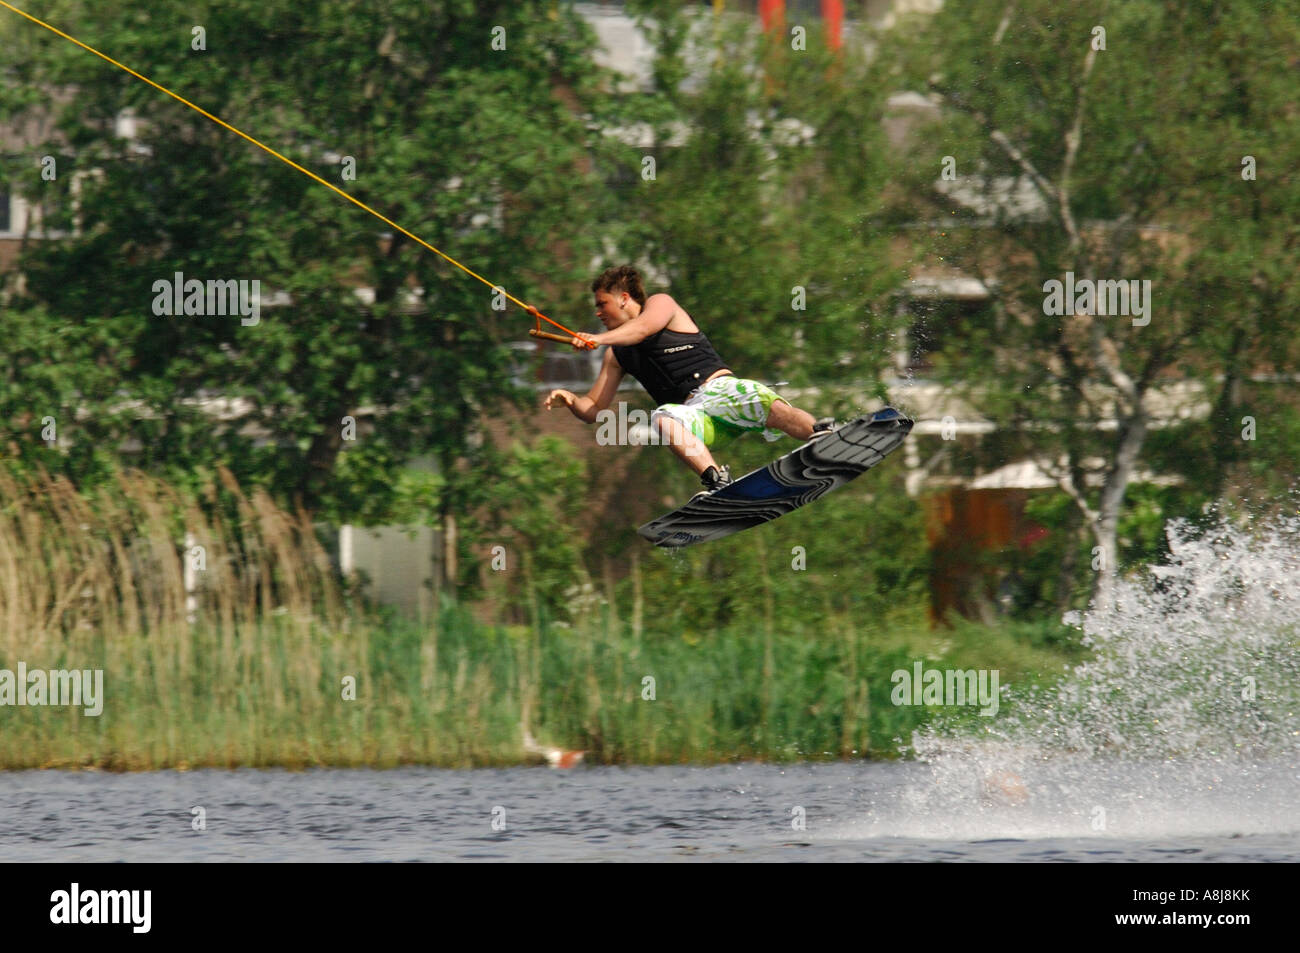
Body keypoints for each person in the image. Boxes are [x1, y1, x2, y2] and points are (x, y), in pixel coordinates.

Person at [544, 265, 834, 496]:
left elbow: (642, 329)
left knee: (760, 399)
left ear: (623, 298)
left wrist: (598, 338)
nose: (597, 312)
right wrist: (570, 400)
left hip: (721, 393)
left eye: (602, 304)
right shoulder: (616, 355)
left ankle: (821, 436)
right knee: (662, 418)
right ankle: (718, 481)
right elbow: (593, 408)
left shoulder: (661, 305)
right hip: (697, 417)